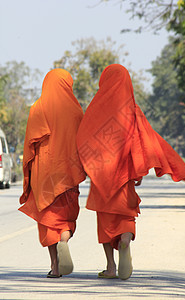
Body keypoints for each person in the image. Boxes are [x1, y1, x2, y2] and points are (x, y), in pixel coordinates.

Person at [76, 64, 185, 280]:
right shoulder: (133, 111)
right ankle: (124, 241)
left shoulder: (94, 109)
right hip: (124, 177)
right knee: (125, 216)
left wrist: (88, 168)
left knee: (105, 221)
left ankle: (111, 267)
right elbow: (143, 142)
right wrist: (138, 173)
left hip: (101, 177)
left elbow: (83, 139)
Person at [19, 68, 86, 278]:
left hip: (44, 173)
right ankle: (64, 241)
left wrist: (28, 172)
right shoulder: (77, 111)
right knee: (65, 217)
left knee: (48, 218)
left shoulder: (39, 108)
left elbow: (30, 143)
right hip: (68, 171)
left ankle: (55, 267)